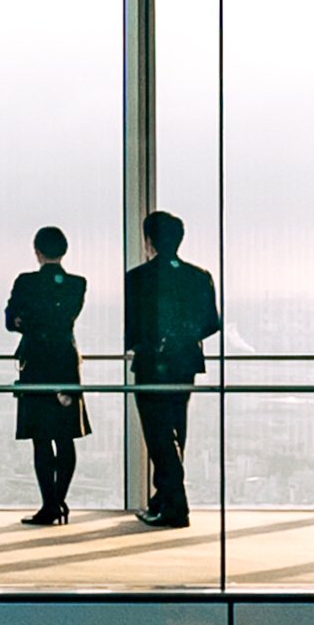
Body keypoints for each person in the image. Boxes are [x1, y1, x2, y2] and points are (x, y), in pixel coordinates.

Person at [126, 206, 220, 529]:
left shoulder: (138, 278)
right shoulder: (199, 276)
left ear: (148, 240)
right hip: (185, 364)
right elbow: (210, 323)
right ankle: (163, 499)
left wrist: (152, 343)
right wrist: (182, 337)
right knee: (176, 430)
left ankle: (174, 505)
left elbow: (132, 328)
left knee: (158, 435)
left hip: (151, 364)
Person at [2, 225, 90, 528]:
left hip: (36, 363)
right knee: (65, 437)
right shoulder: (77, 284)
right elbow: (61, 319)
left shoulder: (26, 283)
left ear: (36, 251)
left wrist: (26, 320)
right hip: (65, 362)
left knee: (41, 437)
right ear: (63, 251)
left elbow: (11, 321)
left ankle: (49, 505)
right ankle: (58, 502)